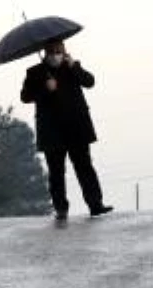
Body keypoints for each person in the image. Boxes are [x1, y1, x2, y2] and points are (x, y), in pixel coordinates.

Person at [20, 40, 113, 221]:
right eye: (52, 51)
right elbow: (25, 96)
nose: (56, 54)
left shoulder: (72, 67)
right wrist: (45, 89)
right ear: (45, 52)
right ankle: (61, 208)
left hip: (77, 127)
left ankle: (95, 204)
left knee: (85, 167)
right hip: (51, 131)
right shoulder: (35, 72)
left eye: (59, 50)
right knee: (56, 172)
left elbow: (89, 82)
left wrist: (74, 66)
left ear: (64, 50)